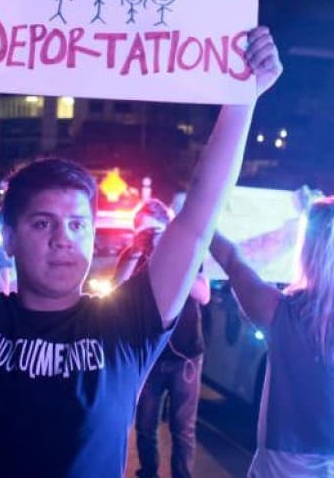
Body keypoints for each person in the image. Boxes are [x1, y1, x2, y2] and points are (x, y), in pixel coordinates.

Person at [0, 6, 281, 477]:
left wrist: (242, 101)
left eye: (78, 225)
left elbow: (195, 223)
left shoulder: (126, 326)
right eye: (43, 224)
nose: (63, 239)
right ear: (8, 237)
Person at [209, 197, 334, 477]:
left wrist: (200, 212)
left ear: (311, 250)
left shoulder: (278, 312)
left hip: (288, 469)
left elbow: (231, 258)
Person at [113, 199, 210, 478]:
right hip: (148, 356)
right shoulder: (132, 256)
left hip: (186, 355)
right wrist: (137, 252)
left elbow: (203, 295)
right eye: (144, 230)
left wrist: (170, 254)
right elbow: (114, 294)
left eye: (156, 231)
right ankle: (148, 474)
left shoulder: (187, 253)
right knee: (145, 425)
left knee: (183, 429)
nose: (150, 236)